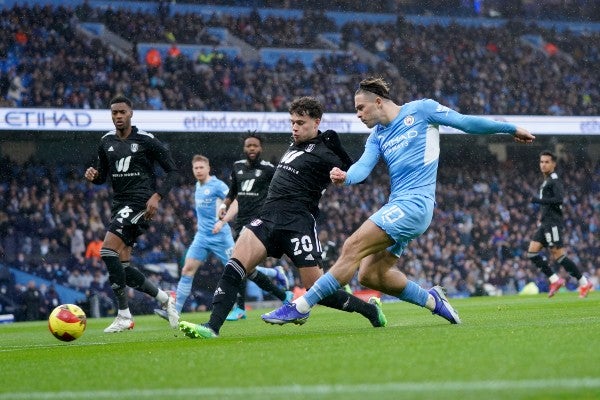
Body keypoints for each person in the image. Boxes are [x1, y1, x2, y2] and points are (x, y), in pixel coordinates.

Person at [263, 76, 536, 326]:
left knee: (352, 246)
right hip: (399, 206)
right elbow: (362, 168)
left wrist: (510, 128)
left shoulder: (422, 110)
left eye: (360, 108)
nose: (358, 114)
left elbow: (465, 122)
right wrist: (345, 176)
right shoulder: (378, 136)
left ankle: (300, 306)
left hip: (415, 204)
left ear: (378, 102)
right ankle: (433, 300)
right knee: (371, 275)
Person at [178, 96, 387, 339]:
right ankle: (212, 327)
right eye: (292, 122)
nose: (294, 128)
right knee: (234, 266)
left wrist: (338, 149)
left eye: (300, 123)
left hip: (298, 223)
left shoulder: (324, 150)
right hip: (267, 218)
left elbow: (357, 174)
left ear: (317, 122)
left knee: (318, 290)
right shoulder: (294, 144)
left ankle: (370, 311)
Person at [154, 155, 288, 327]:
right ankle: (175, 313)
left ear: (208, 168)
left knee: (244, 270)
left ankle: (275, 273)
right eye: (196, 168)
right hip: (202, 237)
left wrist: (222, 222)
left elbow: (235, 201)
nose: (198, 171)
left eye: (202, 167)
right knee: (187, 269)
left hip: (220, 237)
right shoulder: (197, 186)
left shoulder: (217, 185)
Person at [84, 94, 178, 333]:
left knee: (106, 250)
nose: (118, 116)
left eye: (122, 112)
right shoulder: (105, 141)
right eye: (114, 112)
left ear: (131, 113)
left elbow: (173, 172)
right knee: (123, 268)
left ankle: (124, 315)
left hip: (139, 203)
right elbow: (103, 176)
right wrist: (94, 177)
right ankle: (166, 299)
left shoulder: (146, 140)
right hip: (119, 204)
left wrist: (156, 197)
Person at [218, 132, 290, 321]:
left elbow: (281, 188)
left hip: (258, 221)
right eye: (249, 145)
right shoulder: (237, 167)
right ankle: (283, 294)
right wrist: (225, 205)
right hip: (241, 220)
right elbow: (233, 191)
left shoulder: (268, 169)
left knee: (238, 263)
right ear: (244, 148)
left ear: (260, 149)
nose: (251, 149)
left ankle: (240, 307)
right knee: (247, 270)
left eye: (255, 146)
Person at [526, 150, 593, 298]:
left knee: (558, 255)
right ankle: (555, 280)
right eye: (541, 161)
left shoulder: (554, 180)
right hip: (545, 223)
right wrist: (541, 216)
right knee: (532, 252)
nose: (543, 164)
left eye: (547, 162)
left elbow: (559, 199)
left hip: (553, 223)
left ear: (553, 164)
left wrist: (538, 200)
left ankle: (584, 283)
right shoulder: (547, 180)